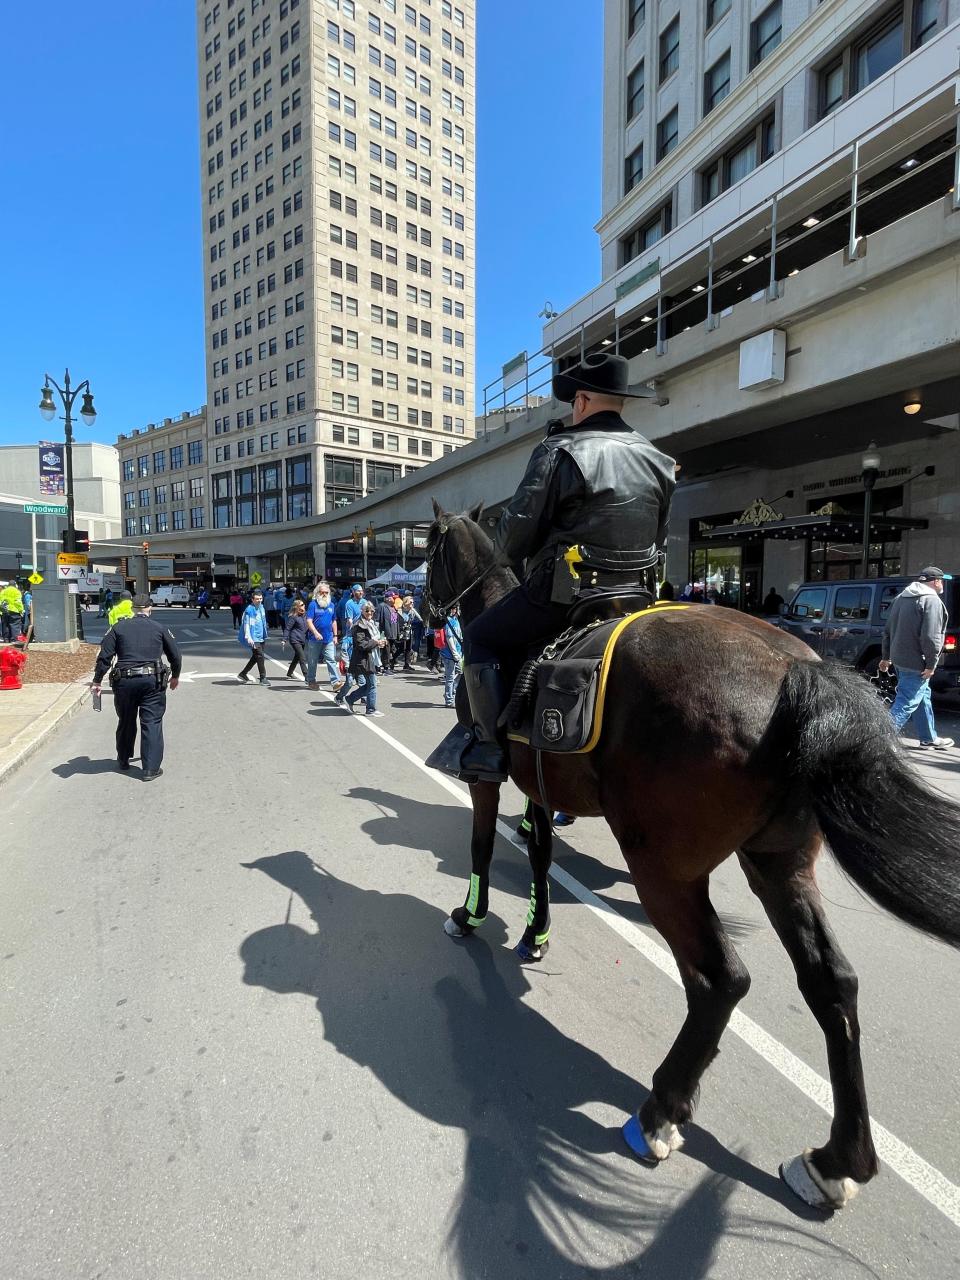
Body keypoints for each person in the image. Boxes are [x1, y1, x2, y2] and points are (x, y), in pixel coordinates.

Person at [441, 352, 676, 782]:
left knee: (478, 636)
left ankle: (489, 750)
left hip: (565, 598)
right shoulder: (659, 461)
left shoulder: (559, 450)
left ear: (582, 401)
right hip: (635, 599)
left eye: (574, 403)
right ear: (620, 401)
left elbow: (511, 543)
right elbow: (658, 540)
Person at [91, 593, 182, 780]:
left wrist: (97, 680)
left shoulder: (118, 628)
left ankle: (123, 759)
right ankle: (150, 769)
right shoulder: (160, 628)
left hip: (124, 682)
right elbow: (176, 656)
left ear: (132, 609)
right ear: (150, 609)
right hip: (152, 682)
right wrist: (175, 676)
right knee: (152, 722)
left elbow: (104, 657)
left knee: (126, 720)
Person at [879, 566, 954, 750]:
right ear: (935, 581)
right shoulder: (931, 601)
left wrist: (886, 657)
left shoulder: (901, 598)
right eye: (941, 580)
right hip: (916, 662)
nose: (942, 584)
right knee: (907, 701)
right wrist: (931, 664)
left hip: (899, 659)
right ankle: (878, 742)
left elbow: (888, 630)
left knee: (923, 697)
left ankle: (928, 738)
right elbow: (931, 637)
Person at [344, 600, 387, 717]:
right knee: (372, 684)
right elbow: (361, 644)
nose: (369, 613)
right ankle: (370, 710)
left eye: (371, 611)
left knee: (370, 685)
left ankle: (350, 699)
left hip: (370, 657)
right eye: (366, 610)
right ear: (362, 611)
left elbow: (374, 639)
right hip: (363, 659)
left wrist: (381, 642)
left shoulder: (371, 623)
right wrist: (376, 642)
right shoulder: (359, 625)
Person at [305, 581, 343, 692]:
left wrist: (335, 636)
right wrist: (315, 633)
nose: (324, 594)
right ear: (317, 593)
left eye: (326, 592)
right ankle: (311, 680)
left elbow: (334, 621)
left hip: (329, 638)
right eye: (322, 592)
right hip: (314, 639)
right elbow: (309, 621)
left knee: (331, 659)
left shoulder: (331, 605)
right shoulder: (313, 605)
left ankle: (335, 682)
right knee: (313, 660)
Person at [237, 588, 270, 686]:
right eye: (257, 599)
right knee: (260, 656)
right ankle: (263, 677)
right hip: (253, 637)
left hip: (261, 636)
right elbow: (246, 624)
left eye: (260, 598)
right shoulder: (249, 610)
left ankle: (243, 674)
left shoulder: (261, 607)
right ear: (252, 599)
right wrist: (248, 637)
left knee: (256, 657)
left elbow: (262, 620)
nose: (259, 600)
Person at [441, 605, 463, 708]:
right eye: (454, 608)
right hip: (450, 655)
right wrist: (455, 653)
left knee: (460, 673)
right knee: (450, 677)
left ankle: (450, 694)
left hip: (457, 653)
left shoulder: (455, 619)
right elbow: (449, 639)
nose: (456, 609)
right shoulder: (448, 620)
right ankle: (449, 700)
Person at [283, 598, 309, 680]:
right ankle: (307, 677)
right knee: (302, 657)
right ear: (297, 607)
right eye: (301, 605)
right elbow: (288, 628)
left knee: (297, 657)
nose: (303, 606)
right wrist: (284, 639)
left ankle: (290, 672)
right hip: (295, 639)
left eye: (303, 604)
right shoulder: (293, 617)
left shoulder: (306, 615)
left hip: (303, 639)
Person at [376, 591, 400, 672]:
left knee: (392, 650)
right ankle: (385, 667)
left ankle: (390, 665)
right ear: (388, 598)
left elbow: (395, 621)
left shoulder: (394, 607)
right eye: (393, 598)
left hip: (393, 633)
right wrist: (379, 633)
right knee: (385, 650)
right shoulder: (382, 606)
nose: (395, 599)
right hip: (385, 632)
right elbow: (377, 620)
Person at [397, 595, 422, 671]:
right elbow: (395, 621)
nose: (412, 603)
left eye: (413, 602)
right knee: (401, 648)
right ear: (406, 602)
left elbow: (419, 618)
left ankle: (406, 664)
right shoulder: (399, 611)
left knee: (408, 648)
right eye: (411, 602)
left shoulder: (412, 611)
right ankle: (392, 660)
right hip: (401, 631)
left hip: (408, 631)